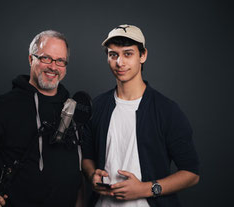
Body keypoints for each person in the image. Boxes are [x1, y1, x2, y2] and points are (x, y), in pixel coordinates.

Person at [0, 30, 84, 207]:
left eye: (60, 61)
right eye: (45, 58)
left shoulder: (72, 108)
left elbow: (75, 167)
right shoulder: (5, 106)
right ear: (30, 59)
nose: (53, 67)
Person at [82, 24, 200, 207]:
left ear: (142, 55)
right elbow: (86, 155)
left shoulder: (166, 110)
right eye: (113, 54)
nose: (119, 62)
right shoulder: (97, 106)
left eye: (128, 54)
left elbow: (191, 173)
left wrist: (147, 189)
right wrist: (91, 175)